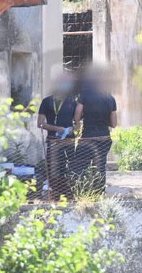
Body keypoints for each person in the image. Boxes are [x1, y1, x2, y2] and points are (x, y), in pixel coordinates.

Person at [73, 66, 118, 196]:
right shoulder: (110, 98)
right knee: (100, 165)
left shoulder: (84, 95)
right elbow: (114, 124)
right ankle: (99, 192)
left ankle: (80, 191)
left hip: (88, 137)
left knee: (80, 165)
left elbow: (77, 115)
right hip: (104, 137)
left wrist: (78, 123)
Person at [37, 71, 79, 199]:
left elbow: (78, 123)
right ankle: (55, 193)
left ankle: (69, 194)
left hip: (69, 141)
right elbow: (40, 123)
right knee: (54, 168)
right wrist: (56, 129)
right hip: (53, 141)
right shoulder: (46, 102)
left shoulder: (72, 102)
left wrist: (73, 129)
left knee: (70, 167)